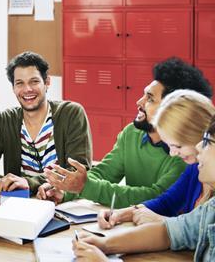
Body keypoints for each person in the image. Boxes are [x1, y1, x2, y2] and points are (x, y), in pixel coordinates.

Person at [39, 57, 213, 208]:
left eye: (150, 98)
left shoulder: (188, 154)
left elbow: (155, 196)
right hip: (133, 222)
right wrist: (67, 190)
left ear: (171, 108)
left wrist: (83, 187)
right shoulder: (131, 133)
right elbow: (104, 173)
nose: (139, 101)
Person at [73, 114, 215, 262]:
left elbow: (157, 197)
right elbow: (167, 232)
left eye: (207, 141)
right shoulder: (210, 208)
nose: (199, 146)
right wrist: (105, 244)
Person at [0, 51, 92, 197]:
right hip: (19, 202)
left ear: (47, 82)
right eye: (20, 83)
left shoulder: (71, 114)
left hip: (58, 200)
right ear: (13, 88)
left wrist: (29, 183)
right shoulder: (4, 120)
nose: (27, 89)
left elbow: (78, 171)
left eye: (34, 81)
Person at [98, 90, 215, 229]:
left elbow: (198, 234)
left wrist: (162, 221)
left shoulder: (199, 169)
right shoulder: (194, 168)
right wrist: (120, 214)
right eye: (169, 145)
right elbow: (167, 202)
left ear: (202, 137)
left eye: (178, 145)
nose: (172, 153)